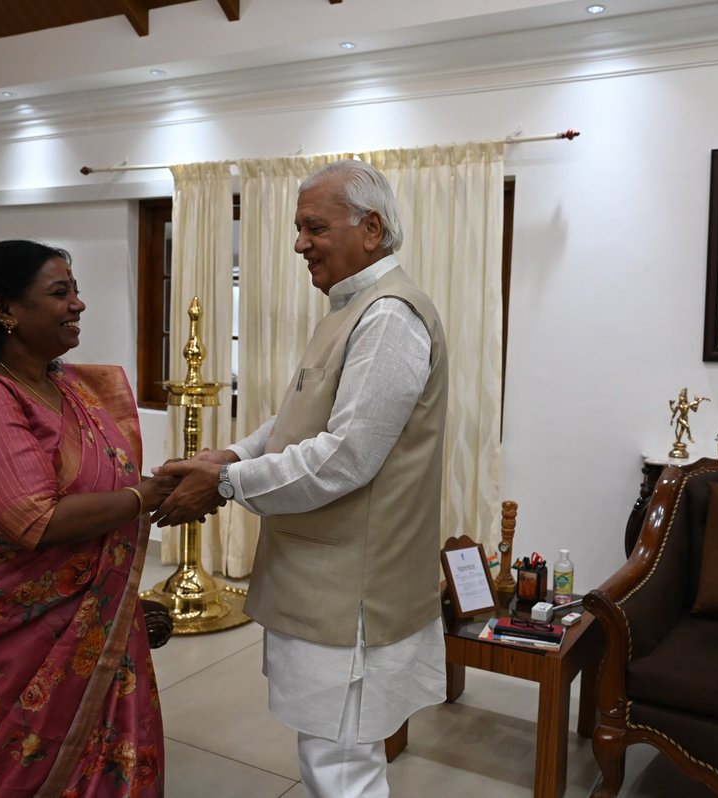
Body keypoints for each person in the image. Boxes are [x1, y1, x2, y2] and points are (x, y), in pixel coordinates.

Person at [151, 159, 448, 797]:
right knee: (330, 760)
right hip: (325, 582)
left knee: (341, 769)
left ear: (371, 229)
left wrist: (225, 486)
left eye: (314, 227)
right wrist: (225, 458)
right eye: (297, 227)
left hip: (352, 593)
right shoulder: (350, 308)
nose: (298, 244)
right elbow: (297, 422)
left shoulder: (388, 318)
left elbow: (344, 457)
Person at [0, 240, 173, 797]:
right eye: (60, 292)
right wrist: (149, 496)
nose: (79, 305)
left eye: (77, 291)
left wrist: (155, 487)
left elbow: (99, 484)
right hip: (18, 630)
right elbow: (34, 521)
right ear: (4, 308)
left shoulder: (66, 386)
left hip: (92, 611)